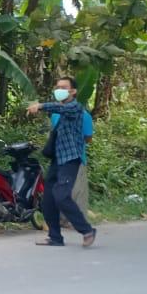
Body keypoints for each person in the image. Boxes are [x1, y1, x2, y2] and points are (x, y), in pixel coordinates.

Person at [27, 76, 98, 247]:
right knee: (48, 200)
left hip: (71, 159)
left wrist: (41, 106)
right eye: (57, 86)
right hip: (57, 159)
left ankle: (87, 230)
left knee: (61, 195)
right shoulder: (57, 114)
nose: (59, 89)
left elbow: (63, 109)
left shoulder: (75, 108)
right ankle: (55, 237)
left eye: (63, 87)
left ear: (73, 91)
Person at [53, 106, 93, 227]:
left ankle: (63, 220)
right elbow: (88, 138)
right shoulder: (84, 115)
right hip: (76, 158)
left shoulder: (55, 114)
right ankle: (78, 221)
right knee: (78, 190)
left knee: (62, 189)